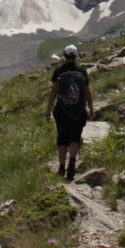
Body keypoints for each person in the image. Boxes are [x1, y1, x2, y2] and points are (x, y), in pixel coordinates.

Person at [46, 45, 95, 181]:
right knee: (74, 137)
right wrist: (91, 109)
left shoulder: (58, 71)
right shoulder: (82, 72)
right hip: (78, 111)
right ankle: (72, 161)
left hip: (61, 110)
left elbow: (53, 92)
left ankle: (62, 167)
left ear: (64, 56)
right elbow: (87, 92)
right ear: (76, 56)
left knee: (62, 138)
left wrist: (48, 111)